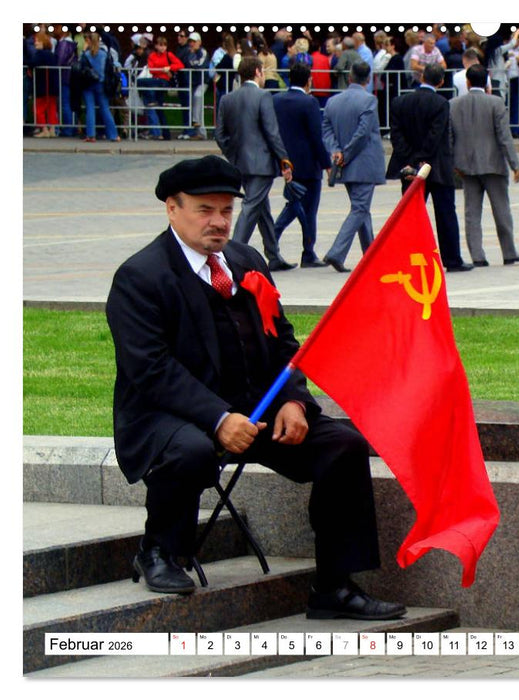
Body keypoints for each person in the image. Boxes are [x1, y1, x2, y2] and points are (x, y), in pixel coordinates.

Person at [104, 155, 405, 621]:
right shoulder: (139, 277)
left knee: (342, 446)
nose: (219, 222)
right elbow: (151, 370)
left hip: (257, 408)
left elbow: (283, 342)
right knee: (191, 451)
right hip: (170, 417)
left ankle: (334, 588)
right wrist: (218, 420)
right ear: (171, 209)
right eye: (205, 210)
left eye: (226, 210)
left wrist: (294, 401)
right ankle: (159, 551)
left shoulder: (247, 261)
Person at [387, 63, 472, 273]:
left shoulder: (399, 102)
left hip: (409, 167)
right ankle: (452, 259)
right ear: (441, 82)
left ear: (421, 77)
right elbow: (435, 136)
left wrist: (409, 160)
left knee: (410, 215)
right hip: (437, 166)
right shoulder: (441, 103)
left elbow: (396, 135)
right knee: (445, 214)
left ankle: (406, 258)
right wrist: (421, 159)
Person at [215, 55, 295, 271]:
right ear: (258, 72)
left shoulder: (227, 99)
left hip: (239, 162)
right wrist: (284, 160)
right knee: (251, 207)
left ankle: (273, 254)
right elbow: (272, 132)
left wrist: (232, 155)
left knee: (262, 209)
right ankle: (232, 254)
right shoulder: (263, 96)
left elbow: (220, 135)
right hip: (261, 163)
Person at [449, 63, 519, 268]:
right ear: (487, 82)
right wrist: (514, 164)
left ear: (467, 82)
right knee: (501, 209)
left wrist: (453, 163)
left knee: (471, 212)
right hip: (493, 164)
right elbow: (504, 137)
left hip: (466, 166)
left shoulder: (454, 104)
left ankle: (477, 255)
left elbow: (450, 138)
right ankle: (509, 252)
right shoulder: (496, 103)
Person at [320, 61, 386, 273]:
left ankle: (371, 254)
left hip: (345, 164)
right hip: (363, 163)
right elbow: (363, 132)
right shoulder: (369, 100)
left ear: (349, 76)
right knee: (359, 209)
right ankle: (337, 252)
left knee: (361, 209)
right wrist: (346, 153)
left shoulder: (333, 101)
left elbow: (327, 129)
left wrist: (337, 150)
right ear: (368, 79)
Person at [272, 62, 331, 268]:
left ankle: (274, 240)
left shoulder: (277, 100)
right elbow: (316, 136)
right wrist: (326, 162)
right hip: (308, 163)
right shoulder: (309, 102)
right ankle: (308, 251)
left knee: (294, 204)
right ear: (308, 80)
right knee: (308, 208)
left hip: (287, 161)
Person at [78, 31, 121, 143]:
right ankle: (113, 135)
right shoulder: (104, 54)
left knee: (90, 109)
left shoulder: (86, 54)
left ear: (88, 41)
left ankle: (91, 135)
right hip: (101, 83)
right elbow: (110, 68)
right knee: (105, 109)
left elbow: (80, 65)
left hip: (88, 84)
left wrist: (83, 49)